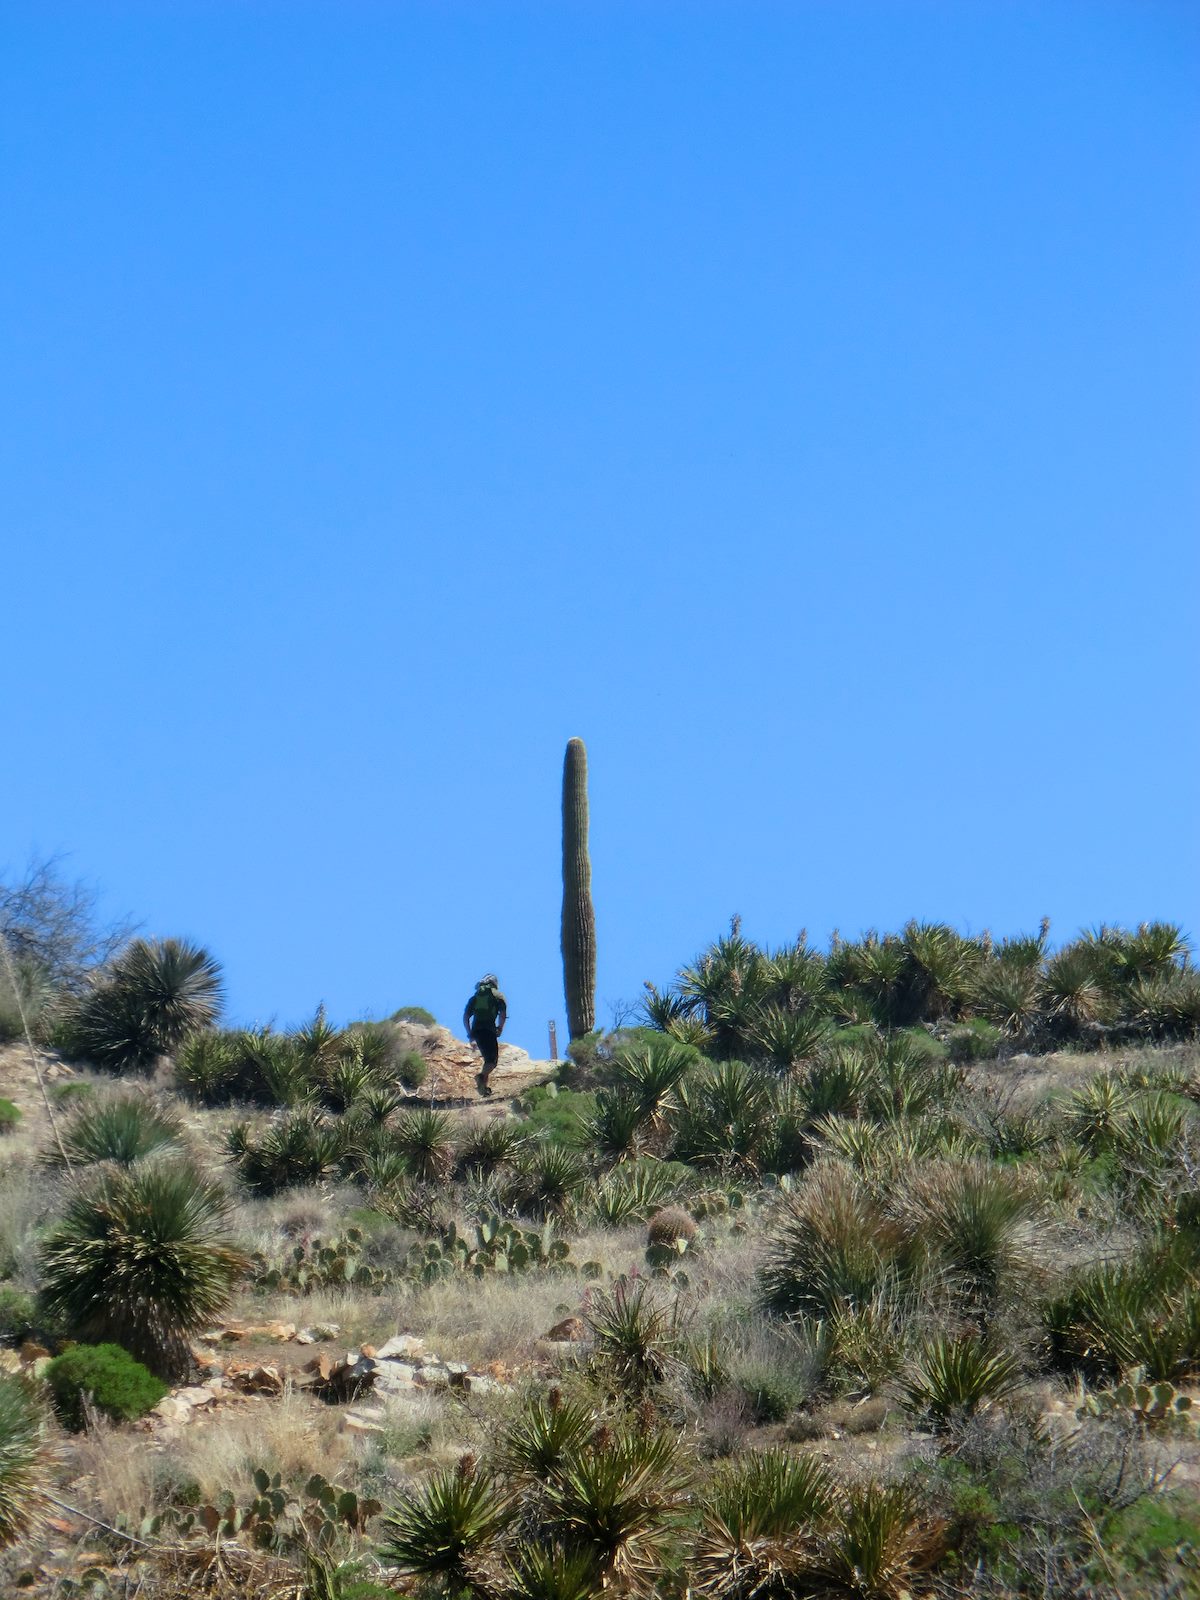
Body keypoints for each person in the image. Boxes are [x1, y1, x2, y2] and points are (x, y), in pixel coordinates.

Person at [464, 973, 507, 1097]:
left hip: (476, 1031)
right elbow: (502, 1014)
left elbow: (466, 1016)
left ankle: (484, 1089)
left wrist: (470, 1034)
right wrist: (500, 1028)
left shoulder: (475, 997)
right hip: (489, 1030)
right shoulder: (498, 995)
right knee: (492, 1061)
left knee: (487, 1059)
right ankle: (481, 1077)